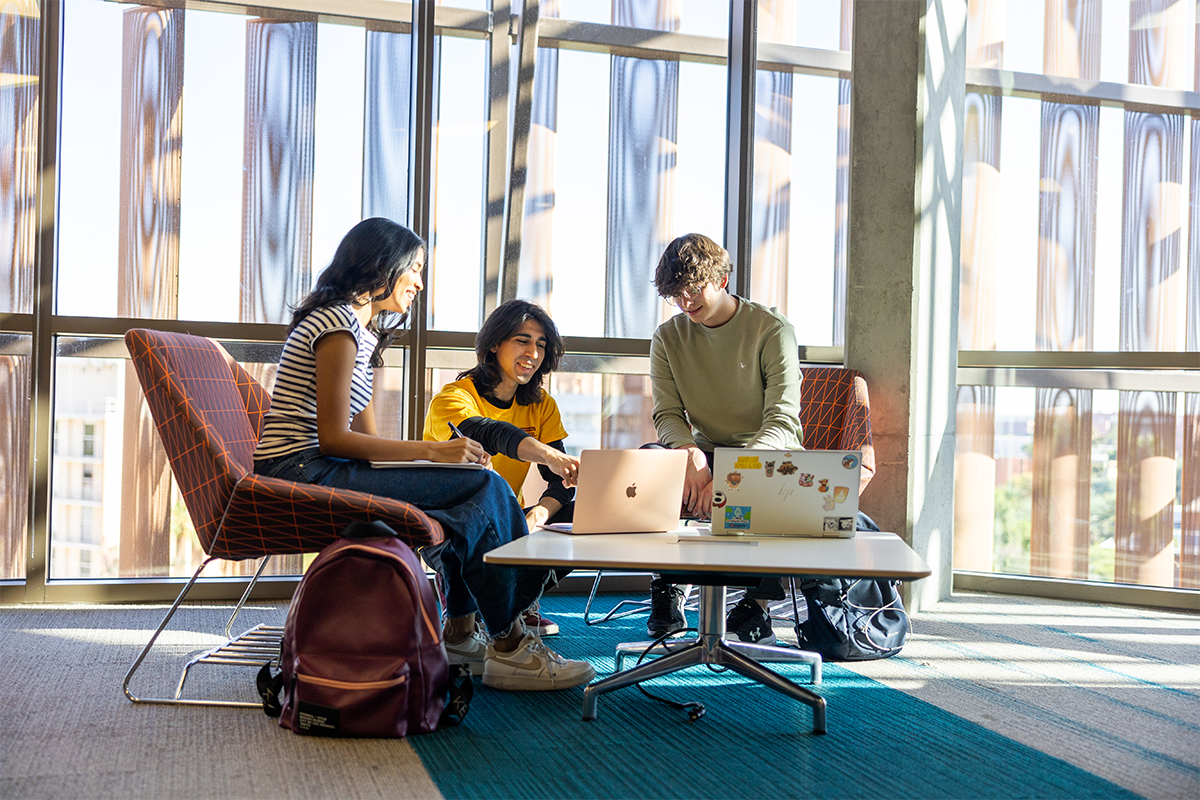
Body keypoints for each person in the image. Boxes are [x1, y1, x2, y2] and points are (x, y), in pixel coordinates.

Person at [251, 217, 594, 691]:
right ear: (381, 266)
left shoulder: (363, 333)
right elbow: (332, 438)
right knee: (484, 484)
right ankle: (512, 644)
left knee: (468, 497)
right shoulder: (336, 322)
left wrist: (426, 461)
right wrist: (434, 452)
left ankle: (467, 634)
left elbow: (365, 447)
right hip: (300, 470)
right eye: (414, 268)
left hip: (326, 466)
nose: (418, 281)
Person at [645, 233, 803, 645]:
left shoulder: (771, 330)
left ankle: (757, 605)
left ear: (723, 276)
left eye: (693, 289)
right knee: (651, 464)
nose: (685, 302)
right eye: (675, 295)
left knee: (771, 481)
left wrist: (735, 471)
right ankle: (669, 589)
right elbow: (666, 414)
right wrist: (688, 454)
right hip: (706, 452)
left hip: (768, 454)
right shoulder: (667, 338)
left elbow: (783, 420)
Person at [423, 299, 579, 637]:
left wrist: (536, 516)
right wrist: (547, 455)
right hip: (451, 521)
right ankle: (467, 595)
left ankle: (520, 600)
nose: (533, 353)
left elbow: (562, 482)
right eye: (522, 340)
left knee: (581, 514)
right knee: (472, 530)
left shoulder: (542, 405)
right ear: (494, 344)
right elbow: (486, 432)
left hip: (509, 519)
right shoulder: (453, 397)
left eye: (541, 344)